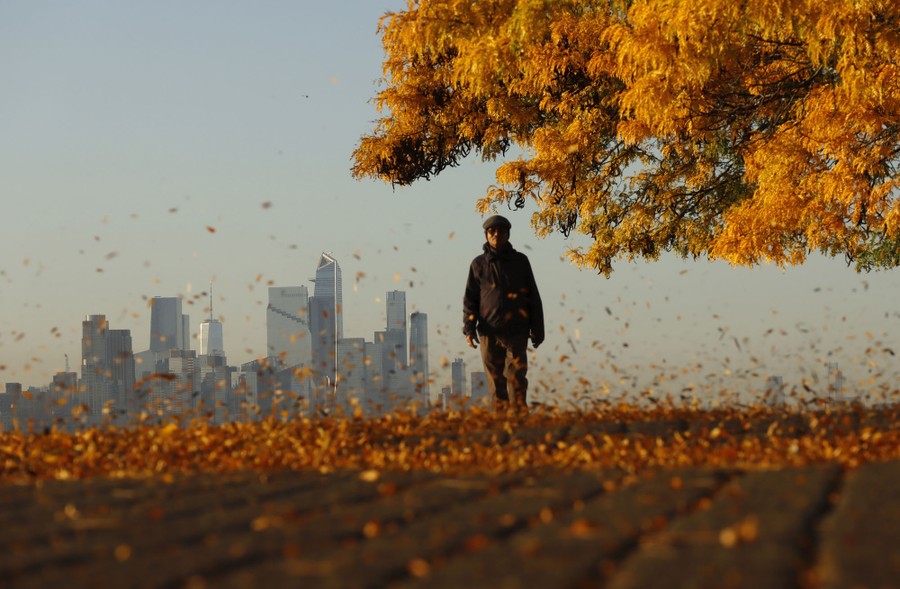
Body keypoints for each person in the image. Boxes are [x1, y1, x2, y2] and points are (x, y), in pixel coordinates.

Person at [463, 215, 544, 411]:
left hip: (517, 331)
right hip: (488, 332)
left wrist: (538, 329)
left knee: (516, 379)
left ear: (508, 234)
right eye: (492, 231)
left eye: (501, 231)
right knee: (495, 382)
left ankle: (520, 424)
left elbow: (533, 295)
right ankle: (500, 427)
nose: (497, 234)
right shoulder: (478, 264)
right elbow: (470, 299)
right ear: (486, 235)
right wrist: (468, 329)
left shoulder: (520, 261)